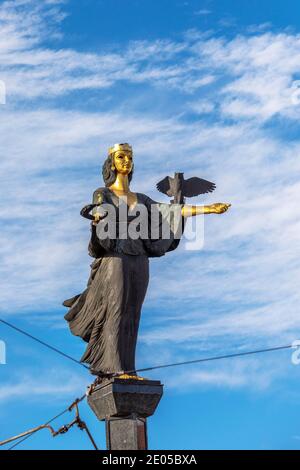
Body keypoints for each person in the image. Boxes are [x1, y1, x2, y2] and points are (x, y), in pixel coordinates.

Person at [63, 143, 230, 378]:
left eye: (129, 158)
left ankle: (127, 369)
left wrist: (207, 209)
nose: (126, 161)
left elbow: (170, 211)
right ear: (111, 163)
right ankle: (113, 367)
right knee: (117, 309)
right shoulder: (104, 193)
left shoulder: (141, 199)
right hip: (115, 258)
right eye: (121, 157)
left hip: (139, 258)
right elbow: (100, 208)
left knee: (133, 312)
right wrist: (99, 214)